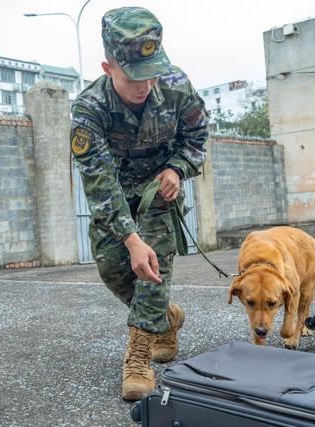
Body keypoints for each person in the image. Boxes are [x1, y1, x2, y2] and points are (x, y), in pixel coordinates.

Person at [70, 7, 209, 401]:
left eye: (151, 72)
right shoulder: (89, 110)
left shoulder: (177, 87)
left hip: (157, 194)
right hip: (114, 197)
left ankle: (139, 357)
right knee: (115, 269)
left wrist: (178, 170)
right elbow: (99, 185)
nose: (145, 84)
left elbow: (198, 135)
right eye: (134, 75)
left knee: (152, 270)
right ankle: (165, 318)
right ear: (107, 67)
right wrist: (129, 239)